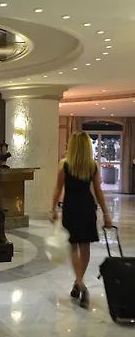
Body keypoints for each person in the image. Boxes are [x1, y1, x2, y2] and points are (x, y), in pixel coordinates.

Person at [49, 131, 112, 309]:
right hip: (87, 207)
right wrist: (106, 213)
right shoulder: (92, 166)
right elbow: (98, 191)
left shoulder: (64, 164)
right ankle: (79, 283)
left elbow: (58, 188)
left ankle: (80, 283)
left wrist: (53, 209)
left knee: (73, 246)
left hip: (71, 207)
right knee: (85, 246)